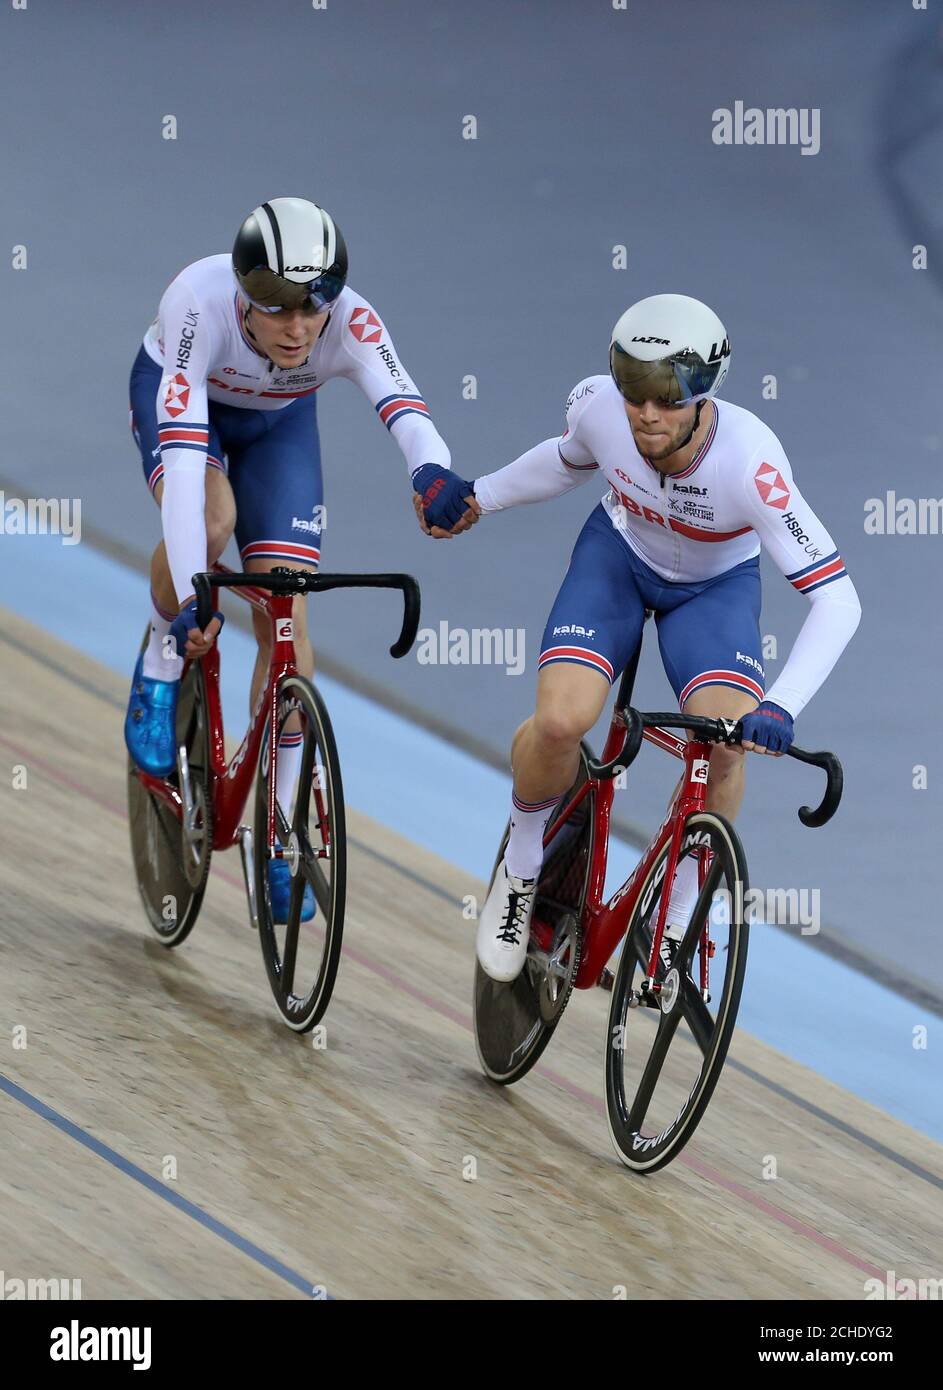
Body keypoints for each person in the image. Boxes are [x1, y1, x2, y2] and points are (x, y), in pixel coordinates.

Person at [471, 293, 861, 981]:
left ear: (705, 389)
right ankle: (521, 865)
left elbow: (837, 600)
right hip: (616, 561)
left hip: (712, 591)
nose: (648, 413)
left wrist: (782, 707)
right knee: (560, 722)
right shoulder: (598, 412)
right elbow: (563, 462)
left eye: (669, 395)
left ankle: (680, 915)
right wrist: (477, 495)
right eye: (634, 390)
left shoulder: (751, 467)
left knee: (726, 742)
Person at [124, 196, 478, 922]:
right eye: (276, 308)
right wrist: (195, 593)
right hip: (187, 411)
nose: (295, 327)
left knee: (285, 608)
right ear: (243, 295)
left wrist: (431, 474)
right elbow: (188, 473)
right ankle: (160, 665)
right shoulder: (198, 303)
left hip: (279, 428)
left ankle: (278, 830)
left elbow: (405, 407)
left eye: (310, 309)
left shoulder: (351, 320)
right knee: (213, 520)